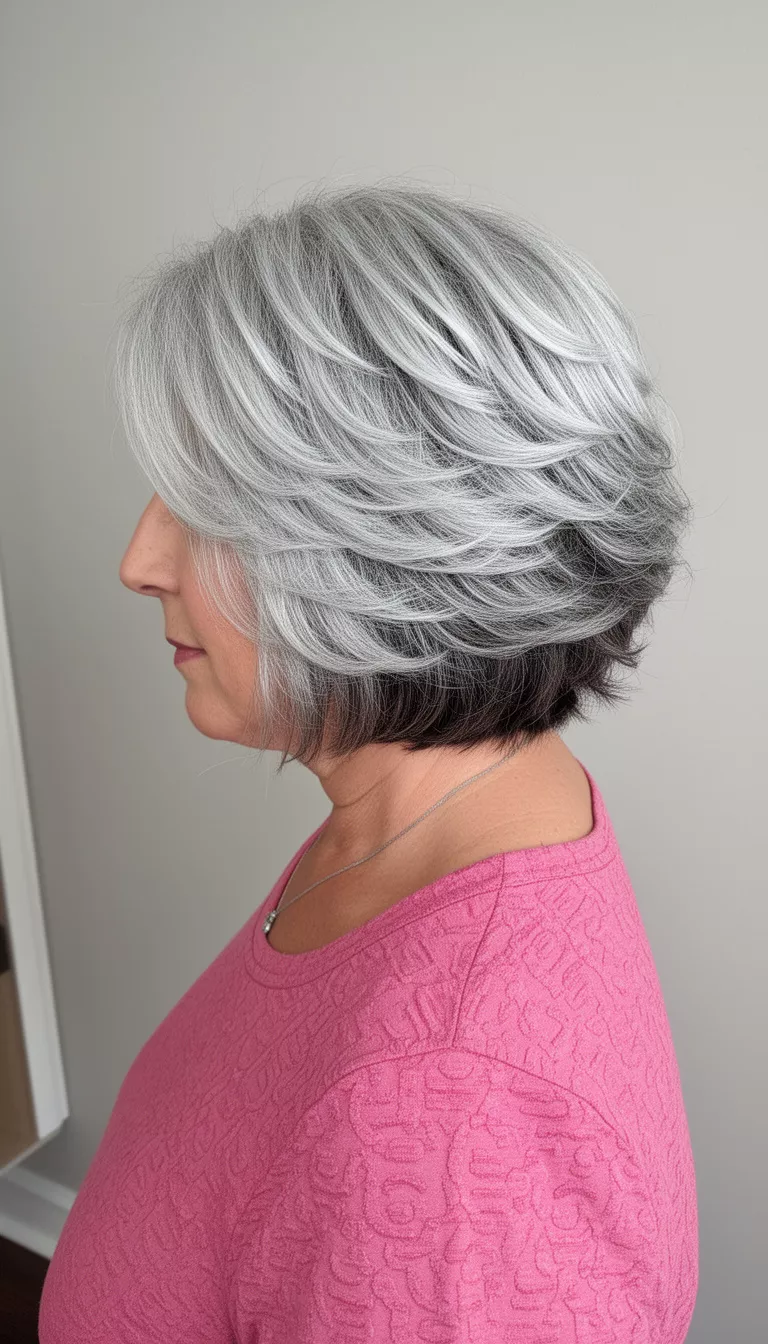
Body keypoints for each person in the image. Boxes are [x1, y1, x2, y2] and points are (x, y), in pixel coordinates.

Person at [39, 182, 698, 1342]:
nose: (140, 558)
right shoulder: (441, 816)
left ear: (395, 553)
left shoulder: (449, 1129)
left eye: (208, 506)